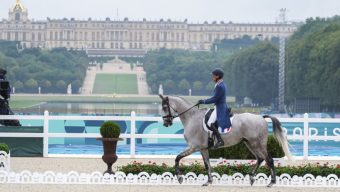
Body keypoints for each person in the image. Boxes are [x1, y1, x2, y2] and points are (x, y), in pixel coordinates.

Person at [197, 68, 231, 148]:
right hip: (220, 105)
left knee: (210, 122)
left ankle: (220, 140)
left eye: (213, 76)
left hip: (220, 107)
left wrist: (203, 101)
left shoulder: (220, 86)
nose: (212, 77)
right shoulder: (221, 84)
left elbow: (214, 99)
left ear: (217, 76)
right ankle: (212, 138)